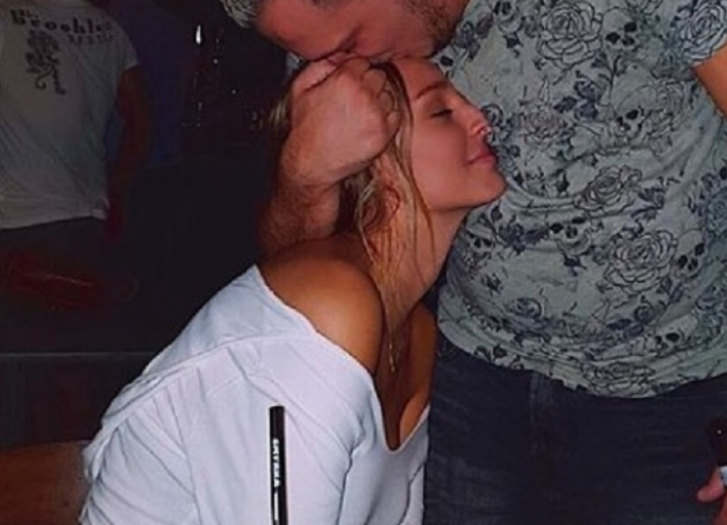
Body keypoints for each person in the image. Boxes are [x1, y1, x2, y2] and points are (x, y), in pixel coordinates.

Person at [224, 0, 727, 524]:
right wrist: (302, 176)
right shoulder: (320, 32)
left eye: (351, 43)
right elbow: (296, 300)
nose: (347, 69)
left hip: (672, 396)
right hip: (474, 383)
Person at [80, 57, 506, 525]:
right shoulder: (331, 305)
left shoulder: (417, 330)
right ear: (376, 162)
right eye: (441, 112)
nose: (481, 120)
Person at [0, 0, 151, 308]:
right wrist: (116, 189)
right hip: (87, 215)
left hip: (15, 218)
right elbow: (142, 119)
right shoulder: (109, 29)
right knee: (65, 330)